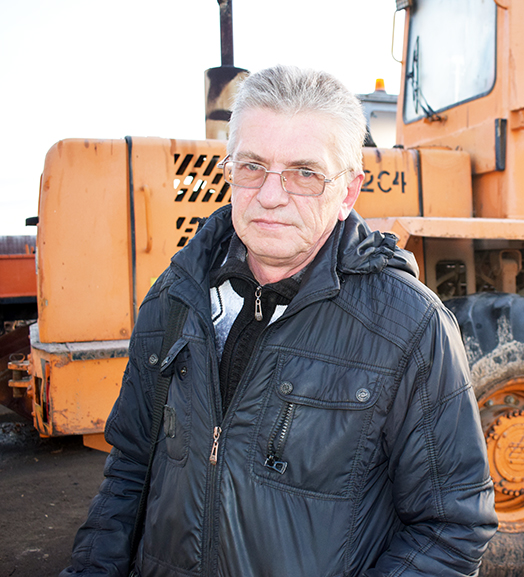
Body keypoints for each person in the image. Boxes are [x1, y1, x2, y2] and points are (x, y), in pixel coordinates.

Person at [61, 65, 497, 576]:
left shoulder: (409, 327)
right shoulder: (175, 298)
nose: (270, 195)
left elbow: (451, 528)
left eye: (305, 173)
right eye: (252, 167)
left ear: (348, 192)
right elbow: (130, 471)